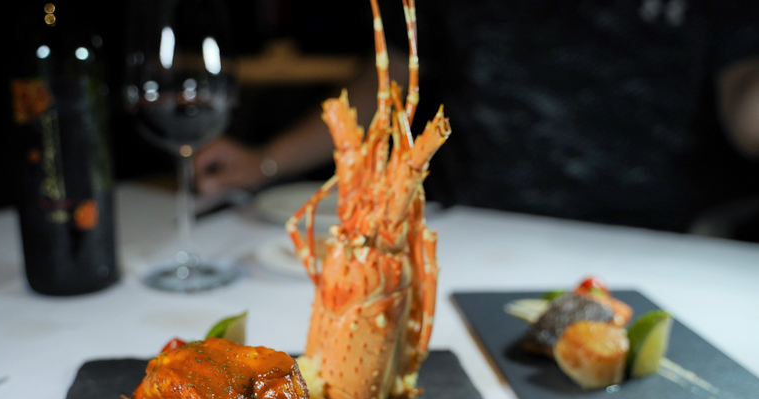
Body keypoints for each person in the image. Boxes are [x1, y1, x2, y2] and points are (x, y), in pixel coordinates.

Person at [194, 0, 759, 232]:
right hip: (465, 228)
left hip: (644, 242)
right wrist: (265, 161)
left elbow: (747, 112)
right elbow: (388, 77)